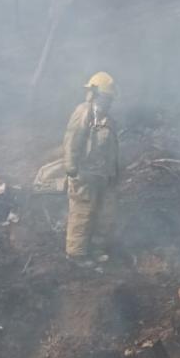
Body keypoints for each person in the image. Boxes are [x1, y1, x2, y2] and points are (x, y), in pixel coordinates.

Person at [63, 72, 120, 269]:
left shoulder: (107, 119)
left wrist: (114, 173)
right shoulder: (84, 113)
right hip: (84, 175)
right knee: (82, 213)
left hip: (103, 175)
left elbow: (113, 149)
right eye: (106, 97)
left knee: (104, 214)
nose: (109, 102)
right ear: (95, 94)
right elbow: (72, 140)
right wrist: (72, 168)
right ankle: (76, 254)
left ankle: (96, 249)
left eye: (110, 98)